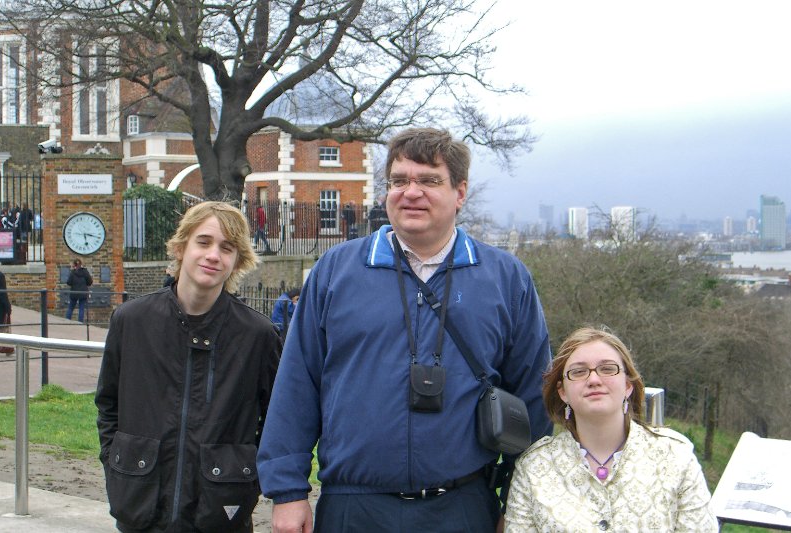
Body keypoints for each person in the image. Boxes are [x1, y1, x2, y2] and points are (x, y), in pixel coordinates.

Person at [258, 128, 552, 533]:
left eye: (429, 180)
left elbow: (535, 399)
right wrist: (288, 491)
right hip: (353, 506)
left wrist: (519, 502)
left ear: (460, 192)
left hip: (464, 507)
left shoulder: (505, 278)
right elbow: (297, 383)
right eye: (399, 181)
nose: (410, 192)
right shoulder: (336, 271)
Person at [95, 201, 282, 532]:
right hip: (141, 504)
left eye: (227, 248)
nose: (213, 255)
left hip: (219, 508)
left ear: (237, 261)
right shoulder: (132, 321)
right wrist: (115, 463)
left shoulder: (258, 335)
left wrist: (247, 476)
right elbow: (108, 404)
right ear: (181, 247)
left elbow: (277, 421)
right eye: (204, 242)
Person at [504, 326, 718, 532]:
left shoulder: (676, 457)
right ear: (562, 392)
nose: (594, 379)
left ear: (627, 385)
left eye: (607, 369)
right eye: (578, 372)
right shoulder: (533, 467)